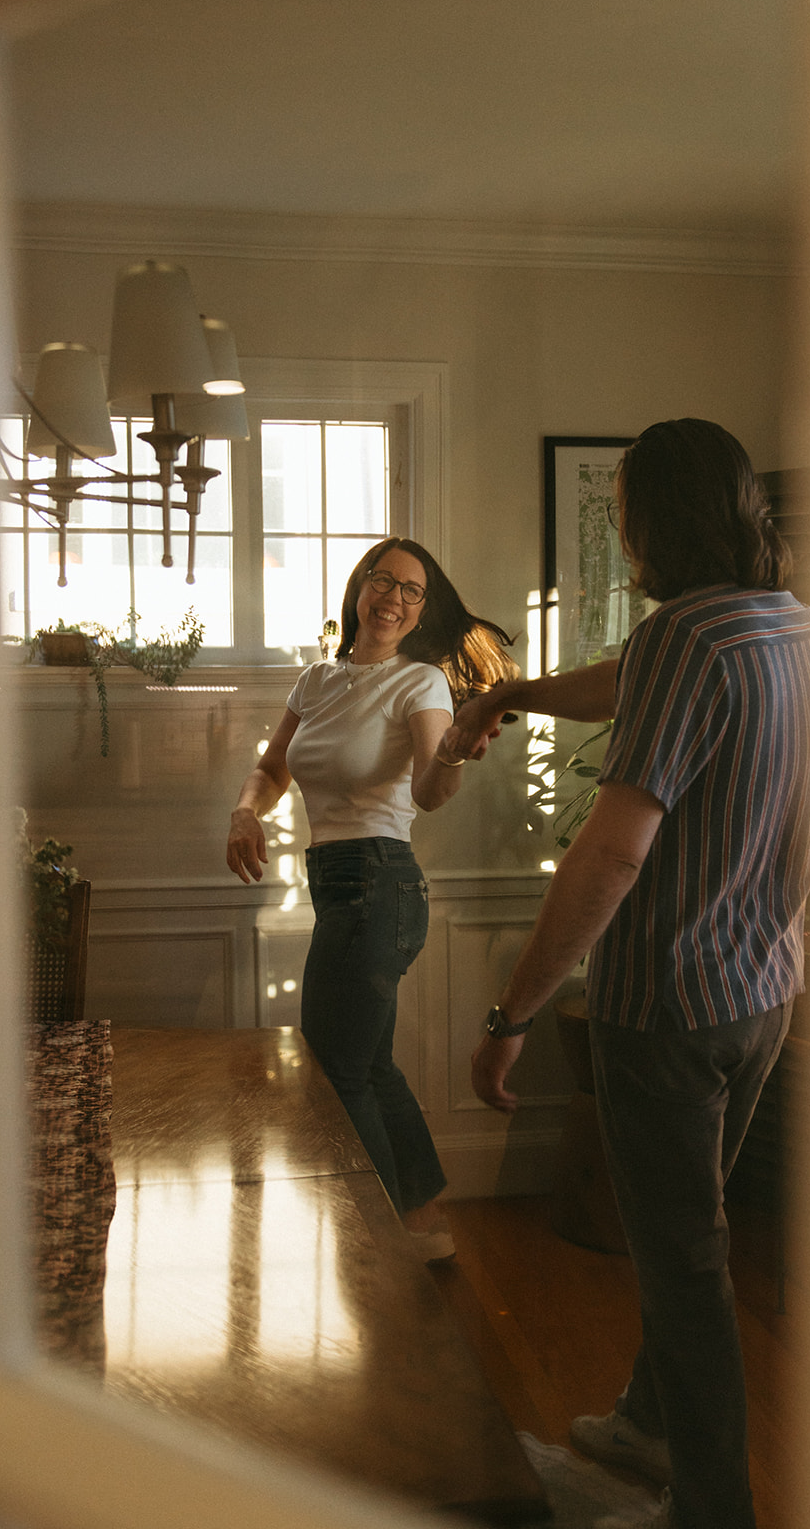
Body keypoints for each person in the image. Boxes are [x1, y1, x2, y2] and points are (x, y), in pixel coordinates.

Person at [447, 419, 810, 1529]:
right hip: (764, 988)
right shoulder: (781, 623)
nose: (618, 530)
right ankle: (648, 1423)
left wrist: (507, 1012)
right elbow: (626, 681)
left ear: (651, 518)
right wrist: (509, 695)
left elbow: (611, 852)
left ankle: (710, 1507)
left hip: (665, 1005)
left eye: (622, 509)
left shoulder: (681, 636)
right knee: (692, 1229)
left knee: (682, 1268)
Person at [226, 536, 516, 1263]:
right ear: (359, 589)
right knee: (370, 1064)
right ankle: (421, 1219)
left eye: (411, 590)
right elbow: (271, 767)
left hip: (379, 883)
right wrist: (244, 812)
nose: (393, 597)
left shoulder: (418, 683)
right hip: (340, 884)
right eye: (382, 581)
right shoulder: (317, 679)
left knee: (335, 1067)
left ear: (421, 612)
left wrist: (450, 754)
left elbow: (427, 791)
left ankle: (379, 1237)